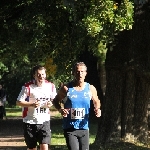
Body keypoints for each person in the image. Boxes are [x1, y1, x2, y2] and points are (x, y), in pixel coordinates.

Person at [52, 62, 101, 150]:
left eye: (82, 72)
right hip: (70, 128)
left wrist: (97, 109)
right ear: (73, 73)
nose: (80, 74)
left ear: (86, 73)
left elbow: (96, 100)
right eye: (77, 72)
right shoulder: (66, 88)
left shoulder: (90, 88)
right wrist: (60, 110)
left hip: (84, 127)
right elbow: (55, 101)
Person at [16, 65, 57, 150]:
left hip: (44, 121)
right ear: (34, 75)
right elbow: (18, 102)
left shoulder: (51, 86)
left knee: (44, 146)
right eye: (38, 74)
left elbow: (54, 100)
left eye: (43, 74)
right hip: (29, 121)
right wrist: (31, 104)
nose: (41, 76)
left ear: (45, 74)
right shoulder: (27, 87)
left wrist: (51, 103)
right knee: (32, 148)